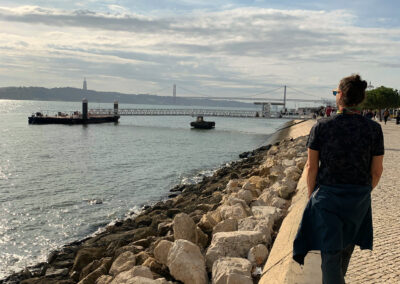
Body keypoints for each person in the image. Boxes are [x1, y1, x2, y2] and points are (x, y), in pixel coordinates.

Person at [293, 74, 384, 284]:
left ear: (340, 95)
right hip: (358, 200)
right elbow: (377, 171)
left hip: (327, 200)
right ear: (361, 99)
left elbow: (311, 166)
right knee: (344, 251)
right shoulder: (374, 129)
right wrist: (362, 192)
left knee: (330, 257)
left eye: (336, 92)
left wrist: (311, 196)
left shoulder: (322, 126)